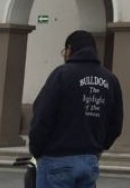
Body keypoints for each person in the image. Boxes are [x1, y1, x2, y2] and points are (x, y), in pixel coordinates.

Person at [28, 30, 123, 188]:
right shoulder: (110, 79)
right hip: (89, 160)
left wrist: (36, 149)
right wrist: (98, 147)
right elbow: (116, 124)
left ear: (70, 49)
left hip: (56, 158)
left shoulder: (62, 75)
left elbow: (42, 116)